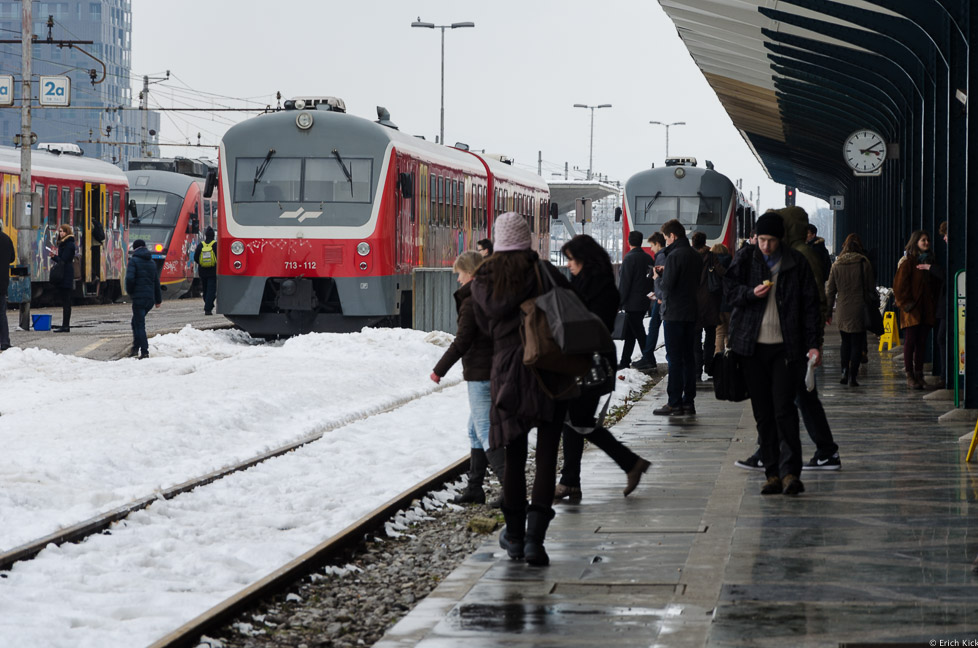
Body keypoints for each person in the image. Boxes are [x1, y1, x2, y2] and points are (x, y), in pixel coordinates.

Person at [470, 212, 569, 567]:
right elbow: (568, 309)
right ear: (527, 240)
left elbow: (483, 324)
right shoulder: (544, 271)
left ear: (497, 241)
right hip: (547, 368)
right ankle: (534, 542)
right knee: (546, 455)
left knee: (514, 454)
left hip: (507, 369)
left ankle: (513, 536)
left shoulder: (484, 277)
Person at [725, 212, 820, 495]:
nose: (765, 246)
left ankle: (790, 472)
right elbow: (728, 293)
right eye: (761, 240)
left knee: (784, 410)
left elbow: (810, 306)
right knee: (763, 413)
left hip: (786, 348)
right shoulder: (745, 259)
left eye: (771, 240)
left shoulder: (795, 263)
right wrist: (749, 294)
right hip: (751, 349)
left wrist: (814, 344)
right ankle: (771, 473)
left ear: (781, 239)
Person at [554, 234, 651, 501]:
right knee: (575, 421)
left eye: (572, 260)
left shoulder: (604, 288)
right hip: (578, 360)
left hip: (594, 363)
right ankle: (572, 480)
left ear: (586, 259)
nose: (569, 265)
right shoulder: (580, 283)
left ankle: (627, 464)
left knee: (578, 421)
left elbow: (597, 325)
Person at [431, 251, 504, 506]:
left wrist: (439, 369)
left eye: (459, 274)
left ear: (470, 273)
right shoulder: (491, 294)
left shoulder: (472, 301)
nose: (458, 280)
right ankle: (475, 488)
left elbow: (462, 341)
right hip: (493, 369)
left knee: (484, 431)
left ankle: (511, 489)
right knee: (474, 430)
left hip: (481, 374)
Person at [653, 219, 702, 416]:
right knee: (688, 358)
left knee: (674, 359)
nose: (665, 241)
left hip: (673, 313)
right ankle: (688, 402)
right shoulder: (694, 255)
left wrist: (658, 278)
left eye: (665, 238)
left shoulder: (673, 256)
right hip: (691, 311)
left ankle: (674, 402)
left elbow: (667, 287)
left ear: (672, 236)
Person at [892, 230, 940, 390]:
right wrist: (907, 305)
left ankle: (919, 375)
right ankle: (910, 375)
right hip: (912, 311)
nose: (926, 242)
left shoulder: (931, 262)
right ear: (915, 242)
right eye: (923, 240)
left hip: (926, 309)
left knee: (921, 343)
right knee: (910, 342)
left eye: (928, 240)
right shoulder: (908, 263)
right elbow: (899, 287)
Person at [826, 233, 876, 387]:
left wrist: (828, 312)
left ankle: (843, 371)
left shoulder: (836, 265)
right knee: (857, 343)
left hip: (842, 308)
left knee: (845, 342)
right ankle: (853, 376)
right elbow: (870, 287)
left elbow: (830, 291)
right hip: (859, 307)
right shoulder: (864, 263)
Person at [617, 230, 653, 369]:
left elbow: (624, 284)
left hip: (632, 303)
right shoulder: (648, 258)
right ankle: (625, 361)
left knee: (638, 331)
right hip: (644, 301)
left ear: (628, 241)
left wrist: (619, 302)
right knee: (631, 332)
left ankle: (649, 358)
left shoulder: (629, 259)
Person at [125, 239, 162, 359]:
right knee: (135, 322)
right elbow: (156, 282)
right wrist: (158, 300)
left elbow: (130, 279)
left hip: (139, 298)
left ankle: (144, 351)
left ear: (135, 248)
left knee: (139, 324)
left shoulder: (133, 261)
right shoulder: (151, 262)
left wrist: (130, 291)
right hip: (149, 299)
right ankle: (135, 347)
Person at [635, 231, 666, 372]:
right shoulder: (665, 255)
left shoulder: (661, 256)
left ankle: (647, 357)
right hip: (661, 296)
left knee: (653, 327)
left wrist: (658, 293)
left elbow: (660, 278)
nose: (651, 249)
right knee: (654, 326)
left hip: (661, 299)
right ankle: (648, 357)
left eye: (652, 245)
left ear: (658, 244)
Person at [691, 231, 720, 378]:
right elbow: (722, 273)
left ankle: (696, 369)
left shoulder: (689, 256)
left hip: (694, 302)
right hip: (710, 302)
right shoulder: (712, 256)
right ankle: (709, 366)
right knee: (710, 336)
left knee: (695, 337)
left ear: (693, 243)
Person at [50, 223, 75, 332]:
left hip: (66, 274)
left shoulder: (69, 245)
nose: (60, 233)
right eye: (60, 231)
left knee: (66, 301)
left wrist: (54, 257)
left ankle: (66, 326)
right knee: (65, 301)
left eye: (62, 231)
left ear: (67, 232)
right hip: (65, 273)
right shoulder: (64, 244)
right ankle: (65, 325)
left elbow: (64, 260)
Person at [934, 221, 948, 389]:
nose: (944, 238)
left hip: (948, 306)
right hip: (946, 305)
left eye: (945, 235)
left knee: (942, 337)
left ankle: (946, 375)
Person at [711, 243, 733, 353]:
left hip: (717, 304)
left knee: (719, 332)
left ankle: (718, 357)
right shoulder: (732, 264)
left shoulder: (712, 266)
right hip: (730, 303)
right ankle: (730, 357)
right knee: (729, 331)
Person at [193, 227, 218, 315]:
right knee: (212, 290)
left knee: (205, 289)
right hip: (213, 271)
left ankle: (208, 303)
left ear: (205, 235)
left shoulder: (201, 245)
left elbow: (196, 257)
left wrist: (202, 264)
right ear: (213, 236)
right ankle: (208, 308)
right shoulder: (216, 245)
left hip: (203, 271)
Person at [0, 228, 14, 350]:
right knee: (2, 314)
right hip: (2, 282)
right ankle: (4, 341)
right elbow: (12, 258)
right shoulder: (6, 239)